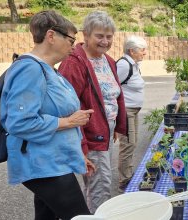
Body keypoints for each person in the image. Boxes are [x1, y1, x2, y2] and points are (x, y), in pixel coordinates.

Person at [0, 10, 93, 220]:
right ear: (51, 36)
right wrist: (69, 121)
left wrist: (77, 154)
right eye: (71, 39)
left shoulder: (48, 69)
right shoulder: (29, 69)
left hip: (53, 161)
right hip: (44, 164)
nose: (73, 45)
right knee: (81, 217)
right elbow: (19, 122)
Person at [58, 11, 127, 213]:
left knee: (103, 180)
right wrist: (81, 145)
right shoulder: (74, 63)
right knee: (100, 186)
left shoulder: (109, 61)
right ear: (85, 35)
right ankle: (99, 216)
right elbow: (67, 108)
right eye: (99, 36)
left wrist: (114, 125)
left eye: (109, 36)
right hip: (89, 134)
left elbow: (113, 96)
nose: (105, 41)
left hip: (104, 130)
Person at [116, 35, 148, 191]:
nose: (145, 53)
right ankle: (124, 180)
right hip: (126, 111)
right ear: (132, 50)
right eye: (142, 50)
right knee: (127, 144)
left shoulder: (133, 64)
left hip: (133, 111)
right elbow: (112, 88)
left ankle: (127, 174)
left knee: (132, 143)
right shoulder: (123, 65)